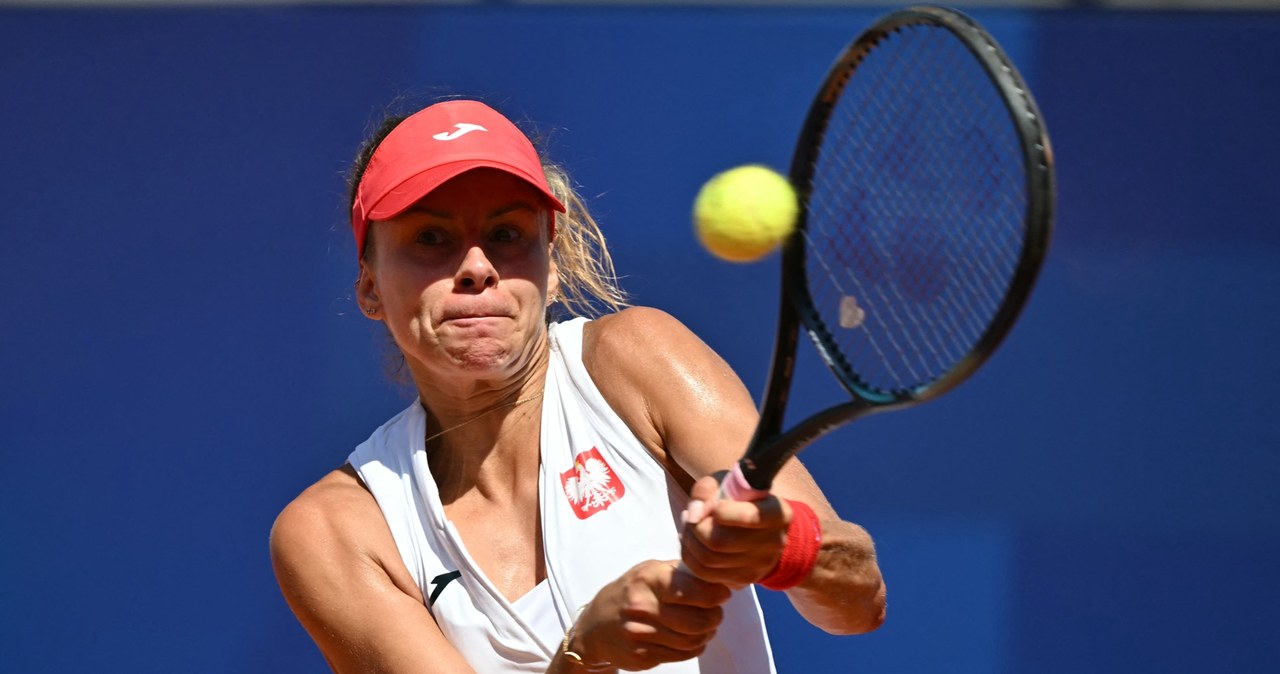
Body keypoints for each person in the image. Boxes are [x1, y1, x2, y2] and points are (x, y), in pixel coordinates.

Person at [270, 98, 886, 674]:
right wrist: (585, 656)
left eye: (508, 234)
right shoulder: (335, 532)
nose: (478, 268)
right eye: (431, 238)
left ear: (553, 265)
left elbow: (859, 602)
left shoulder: (639, 360)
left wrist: (784, 547)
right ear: (370, 287)